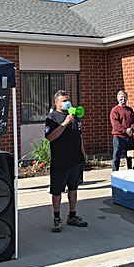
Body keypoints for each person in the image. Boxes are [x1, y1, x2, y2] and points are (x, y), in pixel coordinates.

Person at [45, 90, 88, 233]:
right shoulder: (52, 118)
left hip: (75, 159)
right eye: (63, 100)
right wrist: (64, 123)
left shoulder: (75, 117)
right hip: (60, 160)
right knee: (57, 190)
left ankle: (72, 215)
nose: (67, 102)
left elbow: (79, 136)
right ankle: (56, 218)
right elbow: (50, 137)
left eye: (68, 99)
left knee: (73, 187)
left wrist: (82, 154)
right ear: (56, 102)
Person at [110, 90, 134, 171]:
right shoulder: (115, 110)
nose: (123, 99)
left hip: (129, 137)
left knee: (130, 158)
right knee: (116, 157)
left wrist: (131, 129)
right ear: (117, 99)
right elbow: (115, 124)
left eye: (125, 97)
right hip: (119, 137)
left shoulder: (130, 110)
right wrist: (125, 130)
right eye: (121, 97)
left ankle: (130, 172)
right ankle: (115, 174)